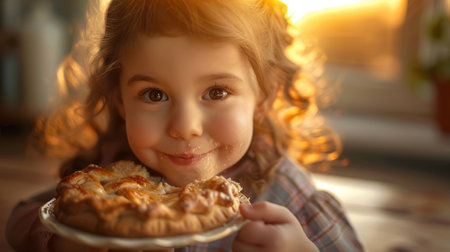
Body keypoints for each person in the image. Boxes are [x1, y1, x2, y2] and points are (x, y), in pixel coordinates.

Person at [6, 0, 364, 251]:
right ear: (119, 100)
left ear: (265, 96)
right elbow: (22, 219)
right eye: (154, 95)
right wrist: (67, 243)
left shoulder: (287, 196)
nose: (185, 127)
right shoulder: (109, 181)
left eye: (216, 91)